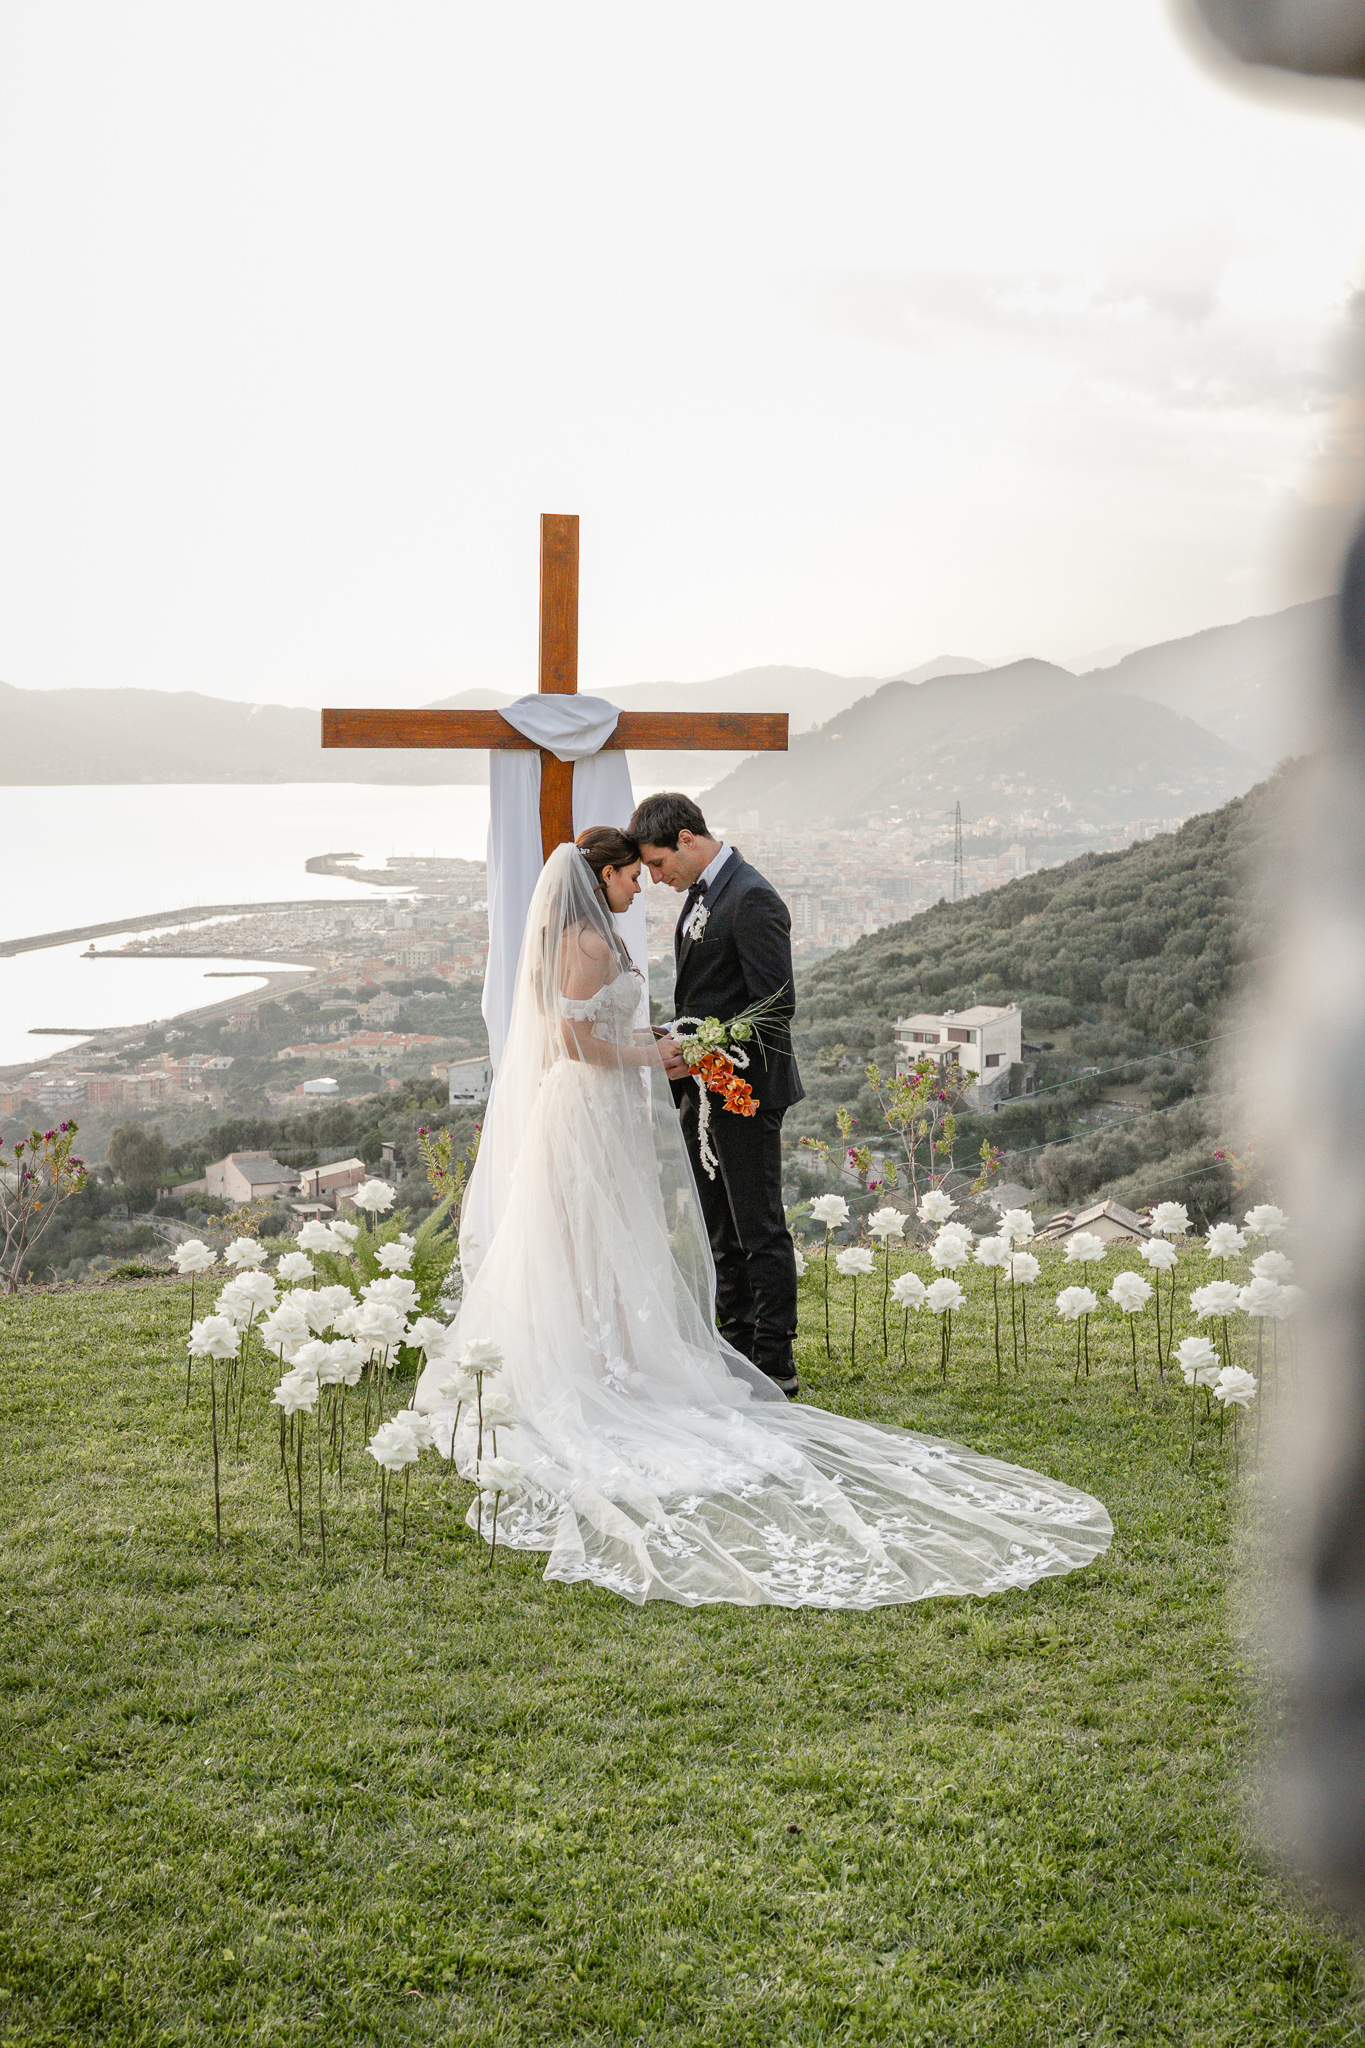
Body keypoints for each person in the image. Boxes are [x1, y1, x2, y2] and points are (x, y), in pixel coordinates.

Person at [414, 831, 1111, 1609]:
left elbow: (648, 1019)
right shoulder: (584, 938)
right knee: (583, 1240)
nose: (643, 886)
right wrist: (656, 1057)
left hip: (610, 1104)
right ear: (603, 875)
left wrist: (664, 1041)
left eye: (651, 870)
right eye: (631, 876)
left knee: (609, 1240)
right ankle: (592, 1362)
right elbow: (570, 1040)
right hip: (583, 1109)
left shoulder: (618, 925)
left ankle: (627, 1352)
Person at [630, 792, 804, 1397]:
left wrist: (704, 1047)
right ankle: (734, 1346)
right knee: (716, 1225)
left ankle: (776, 1362)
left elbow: (775, 1007)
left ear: (685, 838)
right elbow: (708, 995)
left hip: (745, 1090)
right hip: (704, 1089)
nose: (655, 878)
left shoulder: (750, 896)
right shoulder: (705, 893)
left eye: (656, 864)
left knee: (757, 1226)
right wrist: (678, 1035)